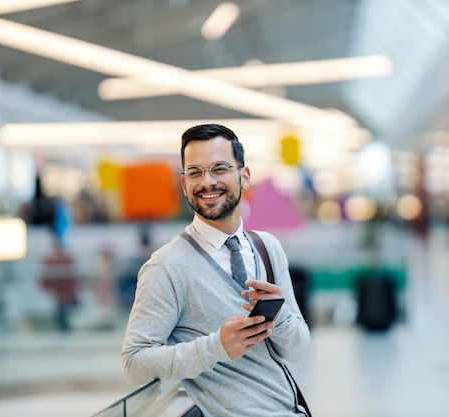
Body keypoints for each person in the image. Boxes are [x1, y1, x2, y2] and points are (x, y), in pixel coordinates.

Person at [121, 124, 311, 416]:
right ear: (184, 184)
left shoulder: (267, 248)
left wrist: (281, 315)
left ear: (244, 176)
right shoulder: (166, 267)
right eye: (195, 172)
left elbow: (296, 349)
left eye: (219, 168)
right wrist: (216, 347)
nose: (207, 182)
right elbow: (135, 363)